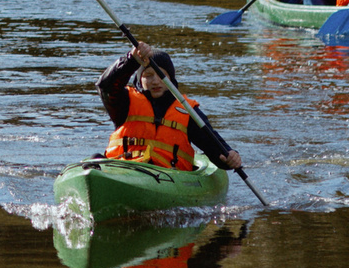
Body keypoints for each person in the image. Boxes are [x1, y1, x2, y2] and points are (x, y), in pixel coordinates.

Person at [96, 41, 241, 173]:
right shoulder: (124, 101)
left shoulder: (188, 111)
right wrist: (131, 60)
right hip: (123, 169)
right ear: (139, 79)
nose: (155, 81)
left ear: (171, 79)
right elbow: (105, 86)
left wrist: (230, 157)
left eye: (161, 75)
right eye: (148, 75)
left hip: (168, 175)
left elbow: (214, 147)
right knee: (95, 159)